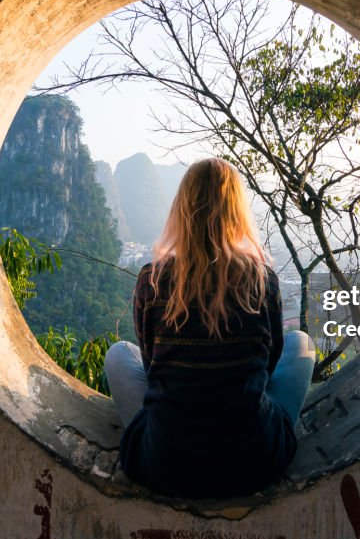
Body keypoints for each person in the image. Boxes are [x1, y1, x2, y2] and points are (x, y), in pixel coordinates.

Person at [104, 157, 315, 499]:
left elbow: (150, 363)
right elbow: (271, 362)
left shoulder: (152, 279)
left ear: (181, 209)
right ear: (237, 211)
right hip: (255, 459)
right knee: (301, 344)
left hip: (165, 463)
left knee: (118, 355)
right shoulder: (262, 281)